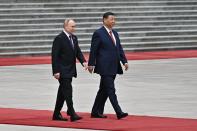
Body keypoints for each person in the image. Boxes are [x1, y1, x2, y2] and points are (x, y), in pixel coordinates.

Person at [88, 12, 129, 119]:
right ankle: (119, 112)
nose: (113, 21)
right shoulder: (98, 33)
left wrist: (124, 61)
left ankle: (96, 112)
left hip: (114, 66)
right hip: (104, 67)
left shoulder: (115, 33)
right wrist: (91, 64)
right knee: (111, 89)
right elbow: (93, 50)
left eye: (114, 19)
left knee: (104, 90)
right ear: (104, 20)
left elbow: (119, 48)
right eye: (111, 19)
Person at [51, 19, 87, 122]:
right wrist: (56, 71)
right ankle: (72, 113)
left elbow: (77, 52)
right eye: (72, 26)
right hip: (62, 70)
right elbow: (55, 56)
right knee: (68, 91)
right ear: (66, 26)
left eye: (75, 26)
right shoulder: (59, 38)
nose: (74, 28)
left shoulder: (74, 38)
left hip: (70, 69)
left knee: (62, 92)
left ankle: (56, 114)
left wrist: (83, 62)